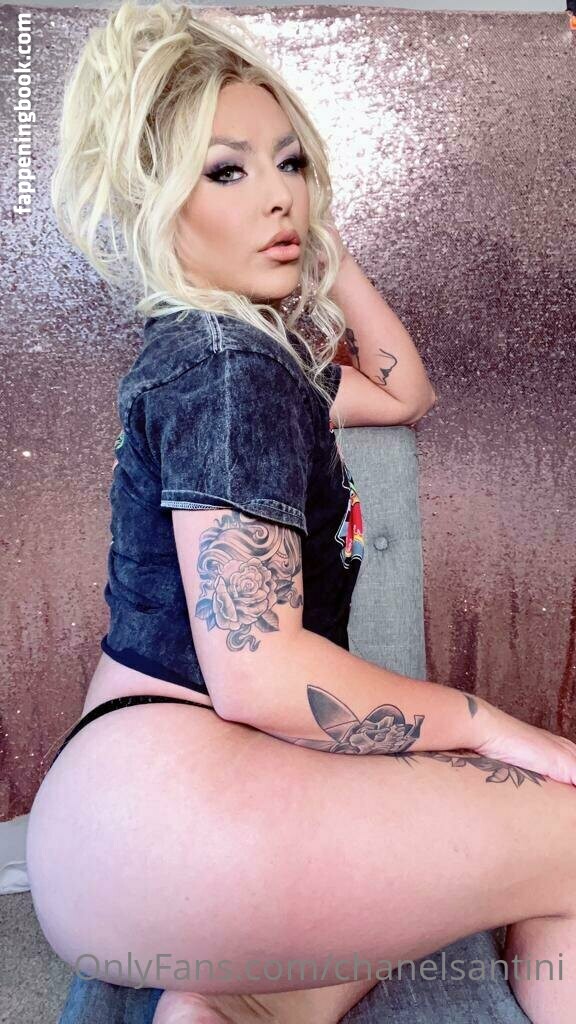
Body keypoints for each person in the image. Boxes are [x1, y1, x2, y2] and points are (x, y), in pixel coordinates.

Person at [25, 2, 576, 1023]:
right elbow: (262, 672)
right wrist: (493, 728)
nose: (278, 193)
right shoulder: (234, 372)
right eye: (226, 171)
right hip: (182, 813)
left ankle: (238, 1003)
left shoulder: (229, 359)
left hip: (128, 831)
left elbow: (404, 391)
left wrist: (321, 245)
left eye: (292, 164)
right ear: (160, 204)